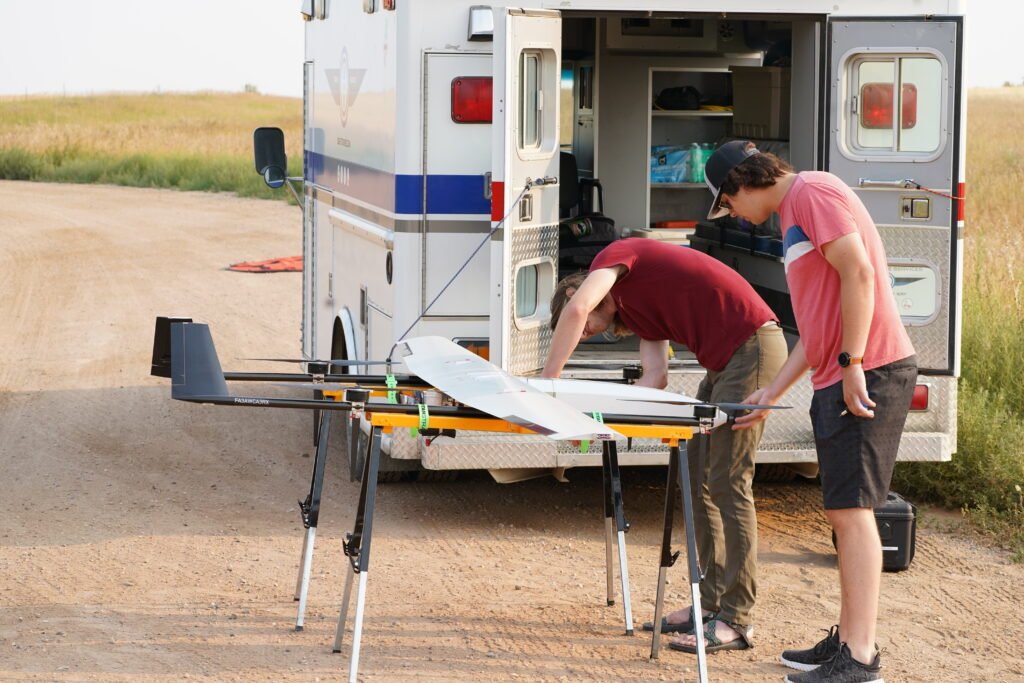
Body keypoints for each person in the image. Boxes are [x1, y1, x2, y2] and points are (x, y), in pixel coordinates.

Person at [706, 141, 918, 683]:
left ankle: (861, 656)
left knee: (854, 513)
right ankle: (847, 640)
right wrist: (773, 392)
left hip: (868, 368)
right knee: (843, 512)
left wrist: (853, 362)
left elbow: (860, 273)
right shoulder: (796, 210)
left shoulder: (812, 191)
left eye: (727, 205)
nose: (735, 217)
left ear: (740, 184)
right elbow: (816, 326)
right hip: (841, 371)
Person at [542, 237, 787, 654]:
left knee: (729, 483)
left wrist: (548, 387)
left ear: (570, 294)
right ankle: (708, 604)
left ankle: (735, 619)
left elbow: (580, 308)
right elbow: (654, 379)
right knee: (696, 479)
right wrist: (593, 413)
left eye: (579, 329)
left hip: (752, 349)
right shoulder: (638, 311)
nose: (583, 333)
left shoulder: (613, 258)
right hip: (727, 360)